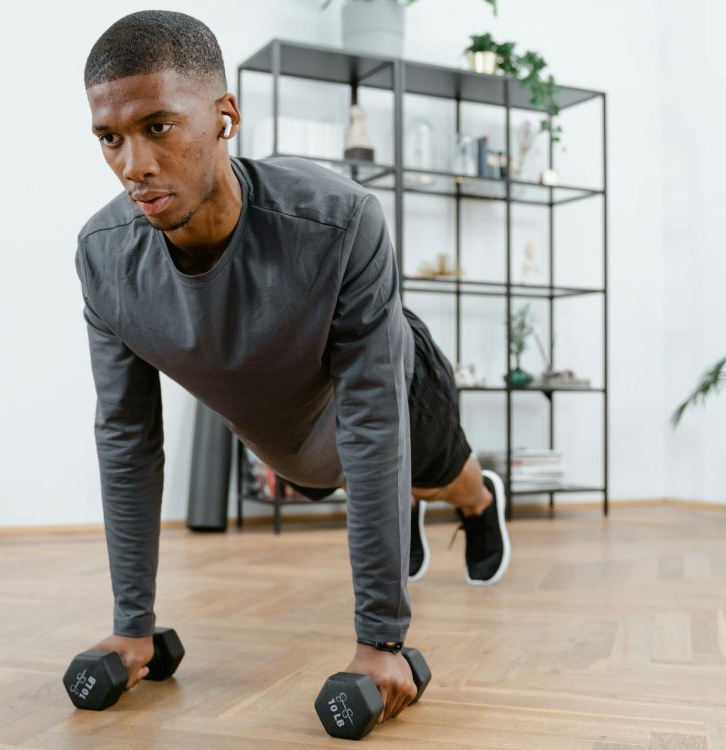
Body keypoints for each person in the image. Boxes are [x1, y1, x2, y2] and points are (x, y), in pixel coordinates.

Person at [74, 10, 511, 725]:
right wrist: (132, 627)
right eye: (109, 138)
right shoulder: (104, 259)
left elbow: (374, 420)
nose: (134, 165)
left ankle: (478, 502)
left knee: (433, 470)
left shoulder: (340, 222)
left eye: (158, 127)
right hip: (297, 441)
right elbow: (126, 438)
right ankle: (402, 505)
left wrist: (381, 641)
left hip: (393, 381)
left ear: (225, 116)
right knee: (338, 475)